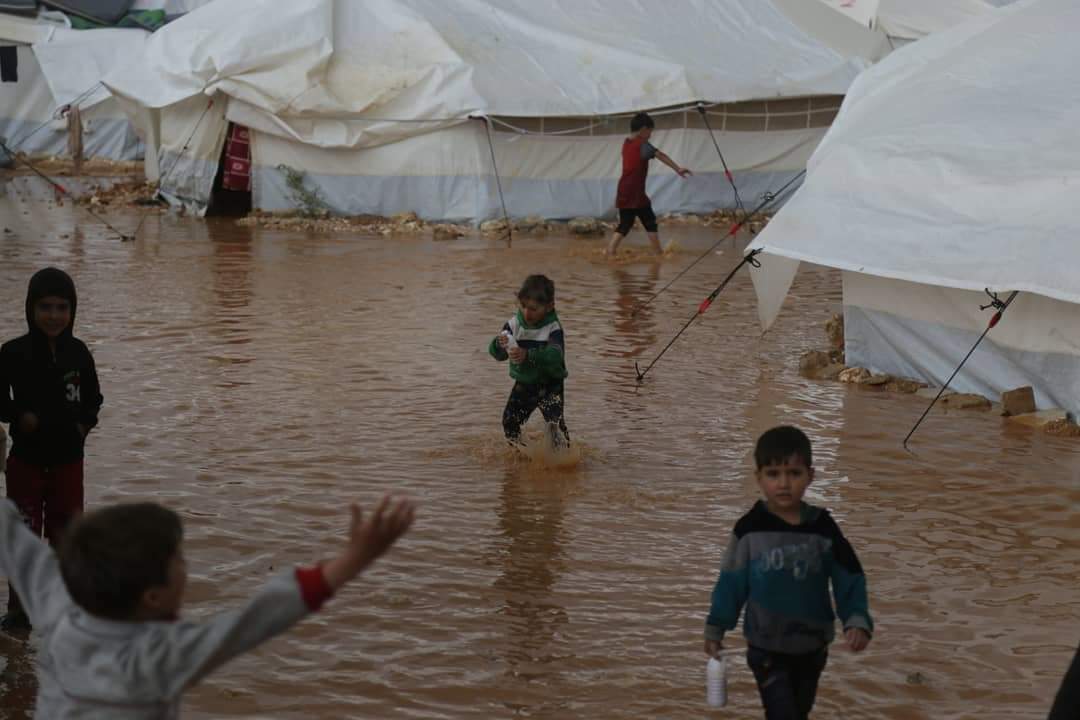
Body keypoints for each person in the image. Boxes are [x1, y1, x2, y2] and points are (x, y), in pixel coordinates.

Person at [0, 492, 415, 717]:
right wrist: (353, 561)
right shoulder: (157, 657)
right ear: (153, 596)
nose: (186, 564)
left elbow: (14, 540)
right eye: (179, 558)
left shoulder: (59, 603)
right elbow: (256, 619)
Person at [703, 426, 873, 719]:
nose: (783, 483)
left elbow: (849, 576)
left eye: (794, 473)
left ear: (811, 475)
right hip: (766, 646)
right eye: (773, 474)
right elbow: (731, 583)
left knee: (799, 712)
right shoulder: (749, 529)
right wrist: (716, 627)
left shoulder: (823, 527)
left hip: (813, 646)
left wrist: (856, 619)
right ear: (759, 478)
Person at [0, 267, 103, 632]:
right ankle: (20, 613)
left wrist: (82, 427)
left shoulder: (79, 353)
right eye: (45, 307)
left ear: (72, 310)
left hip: (68, 464)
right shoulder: (12, 353)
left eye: (62, 307)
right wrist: (18, 415)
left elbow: (94, 399)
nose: (54, 315)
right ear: (30, 308)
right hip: (25, 463)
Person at [488, 274, 569, 448]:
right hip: (525, 383)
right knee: (509, 422)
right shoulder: (513, 324)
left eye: (533, 308)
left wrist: (529, 355)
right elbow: (498, 355)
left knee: (555, 428)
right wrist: (499, 344)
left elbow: (556, 355)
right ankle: (523, 457)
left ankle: (566, 462)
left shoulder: (553, 328)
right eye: (523, 306)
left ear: (549, 307)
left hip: (551, 385)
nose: (526, 313)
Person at [605, 111, 692, 257]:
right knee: (649, 220)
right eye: (650, 131)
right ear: (644, 129)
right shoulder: (642, 145)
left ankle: (610, 250)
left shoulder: (627, 143)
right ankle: (658, 253)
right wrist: (678, 169)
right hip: (635, 192)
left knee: (626, 223)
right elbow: (661, 155)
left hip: (624, 189)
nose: (651, 135)